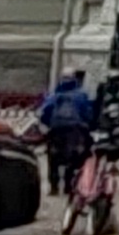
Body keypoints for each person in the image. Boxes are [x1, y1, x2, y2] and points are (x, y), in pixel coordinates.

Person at [37, 70, 94, 201]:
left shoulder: (54, 96)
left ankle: (54, 187)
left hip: (56, 129)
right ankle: (69, 186)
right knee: (75, 157)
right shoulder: (81, 95)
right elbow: (88, 113)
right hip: (76, 130)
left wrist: (49, 125)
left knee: (53, 157)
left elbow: (44, 113)